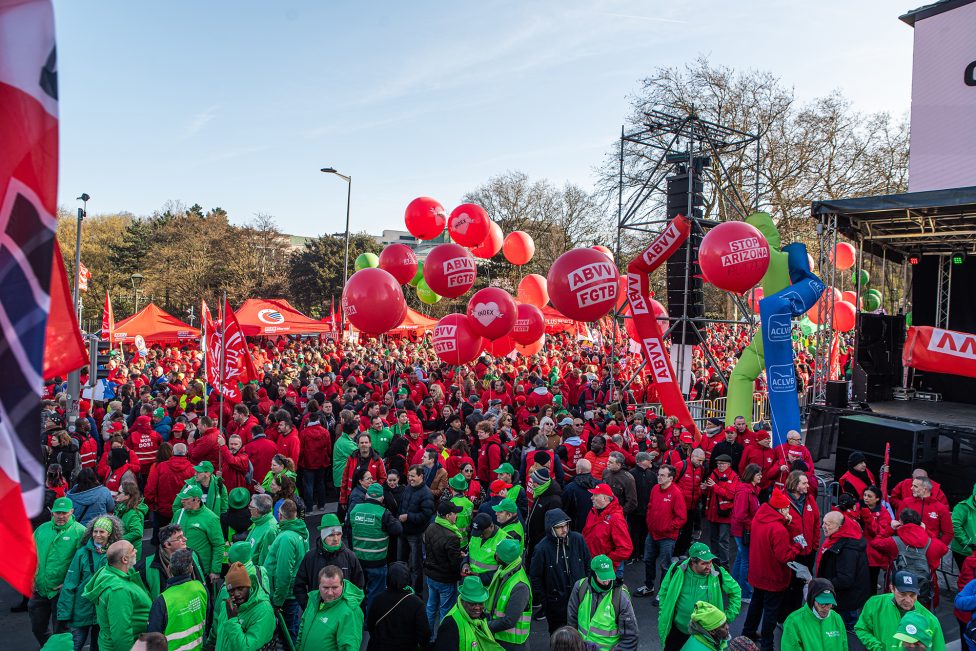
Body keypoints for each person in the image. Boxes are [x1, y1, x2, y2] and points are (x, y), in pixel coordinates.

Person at [741, 488, 803, 651]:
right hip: (773, 577)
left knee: (756, 604)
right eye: (787, 508)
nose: (789, 511)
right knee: (770, 612)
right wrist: (797, 547)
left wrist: (786, 522)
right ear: (781, 509)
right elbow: (784, 556)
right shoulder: (778, 529)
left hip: (758, 573)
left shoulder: (759, 519)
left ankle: (747, 634)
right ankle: (767, 644)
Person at [57, 514, 123, 651]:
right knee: (74, 645)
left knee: (98, 647)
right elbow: (70, 583)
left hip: (104, 611)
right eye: (95, 531)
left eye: (102, 532)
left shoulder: (117, 554)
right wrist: (64, 613)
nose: (97, 535)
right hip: (82, 609)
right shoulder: (82, 553)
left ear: (110, 534)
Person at [658, 542, 741, 650]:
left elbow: (736, 591)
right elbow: (664, 591)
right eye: (704, 563)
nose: (709, 566)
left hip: (705, 636)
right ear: (693, 561)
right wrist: (663, 612)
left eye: (710, 561)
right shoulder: (677, 568)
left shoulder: (717, 571)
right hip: (677, 632)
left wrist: (727, 617)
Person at [868, 508, 947, 609]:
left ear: (900, 522)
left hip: (897, 591)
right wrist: (926, 530)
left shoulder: (893, 542)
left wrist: (890, 528)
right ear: (919, 523)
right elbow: (944, 549)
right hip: (922, 592)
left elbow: (875, 543)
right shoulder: (932, 544)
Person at [81, 540, 152, 651]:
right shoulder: (118, 591)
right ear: (124, 559)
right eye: (132, 549)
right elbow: (121, 633)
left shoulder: (114, 571)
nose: (136, 551)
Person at [529, 508, 591, 633]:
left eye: (566, 525)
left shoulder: (578, 539)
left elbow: (588, 565)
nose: (564, 530)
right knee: (559, 637)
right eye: (559, 527)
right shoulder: (542, 549)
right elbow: (535, 577)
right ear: (551, 528)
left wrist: (588, 589)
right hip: (556, 606)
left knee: (582, 634)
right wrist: (545, 602)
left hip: (581, 600)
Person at [854, 571, 945, 651]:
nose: (908, 600)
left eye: (912, 595)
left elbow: (938, 648)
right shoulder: (875, 604)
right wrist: (877, 647)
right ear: (892, 588)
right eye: (903, 594)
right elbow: (861, 628)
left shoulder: (931, 621)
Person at [567, 555, 639, 651]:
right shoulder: (580, 587)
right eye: (603, 578)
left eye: (609, 577)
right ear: (593, 573)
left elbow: (630, 637)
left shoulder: (620, 596)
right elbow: (572, 621)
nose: (607, 582)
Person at [636, 464, 687, 600]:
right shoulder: (655, 489)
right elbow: (650, 506)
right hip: (652, 534)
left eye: (662, 475)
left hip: (667, 537)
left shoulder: (676, 493)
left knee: (665, 565)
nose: (658, 477)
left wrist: (667, 528)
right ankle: (649, 587)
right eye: (658, 474)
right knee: (648, 560)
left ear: (671, 478)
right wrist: (650, 522)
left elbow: (681, 518)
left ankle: (663, 593)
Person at [349, 482, 403, 610]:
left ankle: (359, 619)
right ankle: (371, 622)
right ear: (382, 498)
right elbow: (398, 529)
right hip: (377, 561)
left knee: (358, 593)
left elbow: (348, 527)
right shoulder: (384, 513)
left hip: (358, 560)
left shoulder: (355, 509)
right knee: (375, 594)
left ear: (366, 496)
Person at [265, 498, 310, 642]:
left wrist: (277, 601)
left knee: (288, 636)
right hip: (293, 592)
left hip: (285, 596)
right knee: (293, 629)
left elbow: (284, 573)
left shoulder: (286, 538)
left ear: (280, 515)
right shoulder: (302, 531)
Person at [816, 511, 871, 627]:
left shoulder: (847, 550)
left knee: (844, 635)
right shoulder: (841, 538)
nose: (823, 527)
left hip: (846, 603)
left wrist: (822, 584)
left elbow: (845, 579)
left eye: (828, 524)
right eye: (824, 523)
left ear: (840, 526)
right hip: (847, 599)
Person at [145, 548, 208, 649]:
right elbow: (207, 618)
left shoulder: (162, 600)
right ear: (191, 569)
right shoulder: (201, 588)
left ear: (169, 568)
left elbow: (153, 640)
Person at [295, 564, 365, 651]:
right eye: (326, 587)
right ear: (319, 585)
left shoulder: (350, 611)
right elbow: (302, 630)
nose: (330, 593)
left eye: (335, 587)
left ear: (342, 585)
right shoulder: (313, 601)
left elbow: (349, 647)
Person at [208, 561, 275, 651]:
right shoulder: (226, 604)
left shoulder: (264, 611)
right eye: (231, 590)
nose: (236, 594)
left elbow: (245, 648)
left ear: (249, 586)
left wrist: (232, 620)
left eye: (240, 588)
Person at [365, 561, 431, 651]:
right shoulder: (417, 603)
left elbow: (370, 625)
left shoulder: (378, 600)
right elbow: (424, 634)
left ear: (388, 578)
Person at [433, 575, 504, 651]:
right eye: (472, 604)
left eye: (480, 603)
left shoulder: (481, 617)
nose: (477, 607)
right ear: (462, 601)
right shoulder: (450, 624)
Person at [171, 484, 223, 584]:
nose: (182, 501)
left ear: (197, 500)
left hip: (200, 570)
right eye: (182, 498)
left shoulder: (211, 518)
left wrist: (215, 570)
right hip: (179, 568)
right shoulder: (178, 513)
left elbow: (218, 545)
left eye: (186, 499)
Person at [424, 500, 465, 631]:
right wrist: (460, 557)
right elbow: (454, 564)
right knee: (446, 611)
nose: (456, 516)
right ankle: (442, 640)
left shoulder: (431, 527)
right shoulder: (452, 536)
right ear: (448, 516)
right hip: (445, 580)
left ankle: (427, 638)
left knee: (430, 607)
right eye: (455, 514)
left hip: (431, 576)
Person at [486, 539, 532, 651]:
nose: (495, 554)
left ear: (504, 558)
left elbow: (509, 621)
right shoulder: (506, 570)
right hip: (501, 639)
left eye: (497, 553)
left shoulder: (520, 587)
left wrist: (485, 626)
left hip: (512, 644)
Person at [780, 578, 847, 651]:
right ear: (812, 600)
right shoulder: (793, 621)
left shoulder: (836, 618)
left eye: (829, 603)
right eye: (821, 603)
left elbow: (844, 647)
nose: (826, 608)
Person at [398, 464, 435, 593]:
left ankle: (416, 592)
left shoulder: (426, 493)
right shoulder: (408, 488)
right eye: (409, 476)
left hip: (416, 535)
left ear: (421, 476)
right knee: (401, 563)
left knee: (415, 566)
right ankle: (401, 589)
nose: (410, 479)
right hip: (403, 532)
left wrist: (408, 517)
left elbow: (426, 516)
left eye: (413, 476)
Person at [582, 483, 633, 576]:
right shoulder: (594, 511)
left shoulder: (616, 519)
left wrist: (605, 560)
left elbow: (625, 549)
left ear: (604, 499)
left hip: (605, 570)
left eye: (595, 495)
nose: (591, 498)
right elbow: (586, 532)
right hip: (591, 564)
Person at [730, 463, 761, 602]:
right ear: (751, 475)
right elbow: (740, 515)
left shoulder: (750, 490)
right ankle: (745, 592)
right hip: (743, 531)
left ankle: (733, 585)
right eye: (758, 474)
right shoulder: (745, 492)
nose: (761, 476)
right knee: (745, 560)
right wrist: (753, 524)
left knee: (740, 558)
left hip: (742, 530)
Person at [899, 475, 953, 548]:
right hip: (907, 547)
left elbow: (948, 533)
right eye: (912, 485)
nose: (911, 488)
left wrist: (937, 547)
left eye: (915, 486)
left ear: (925, 489)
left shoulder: (941, 508)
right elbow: (899, 523)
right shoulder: (906, 502)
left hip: (929, 549)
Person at [526, 467, 563, 561]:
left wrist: (539, 539)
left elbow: (551, 525)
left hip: (539, 541)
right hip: (533, 539)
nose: (532, 484)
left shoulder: (554, 500)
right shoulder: (541, 491)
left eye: (534, 481)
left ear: (541, 483)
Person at [467, 512, 508, 584]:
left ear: (491, 526)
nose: (480, 536)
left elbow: (505, 571)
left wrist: (479, 577)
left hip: (488, 587)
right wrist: (464, 564)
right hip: (471, 581)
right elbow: (469, 553)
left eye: (482, 532)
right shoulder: (476, 534)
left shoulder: (503, 540)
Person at [114, 480, 148, 561]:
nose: (116, 495)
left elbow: (137, 532)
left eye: (119, 492)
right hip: (125, 549)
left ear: (127, 495)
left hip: (130, 552)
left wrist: (118, 539)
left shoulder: (132, 513)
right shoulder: (123, 508)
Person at [561, 459, 598, 532]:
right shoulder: (600, 484)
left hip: (576, 528)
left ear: (579, 470)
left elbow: (564, 508)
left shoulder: (570, 488)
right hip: (595, 526)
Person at [244, 493, 279, 566]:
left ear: (257, 510)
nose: (249, 509)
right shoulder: (258, 521)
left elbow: (265, 559)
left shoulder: (270, 530)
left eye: (250, 507)